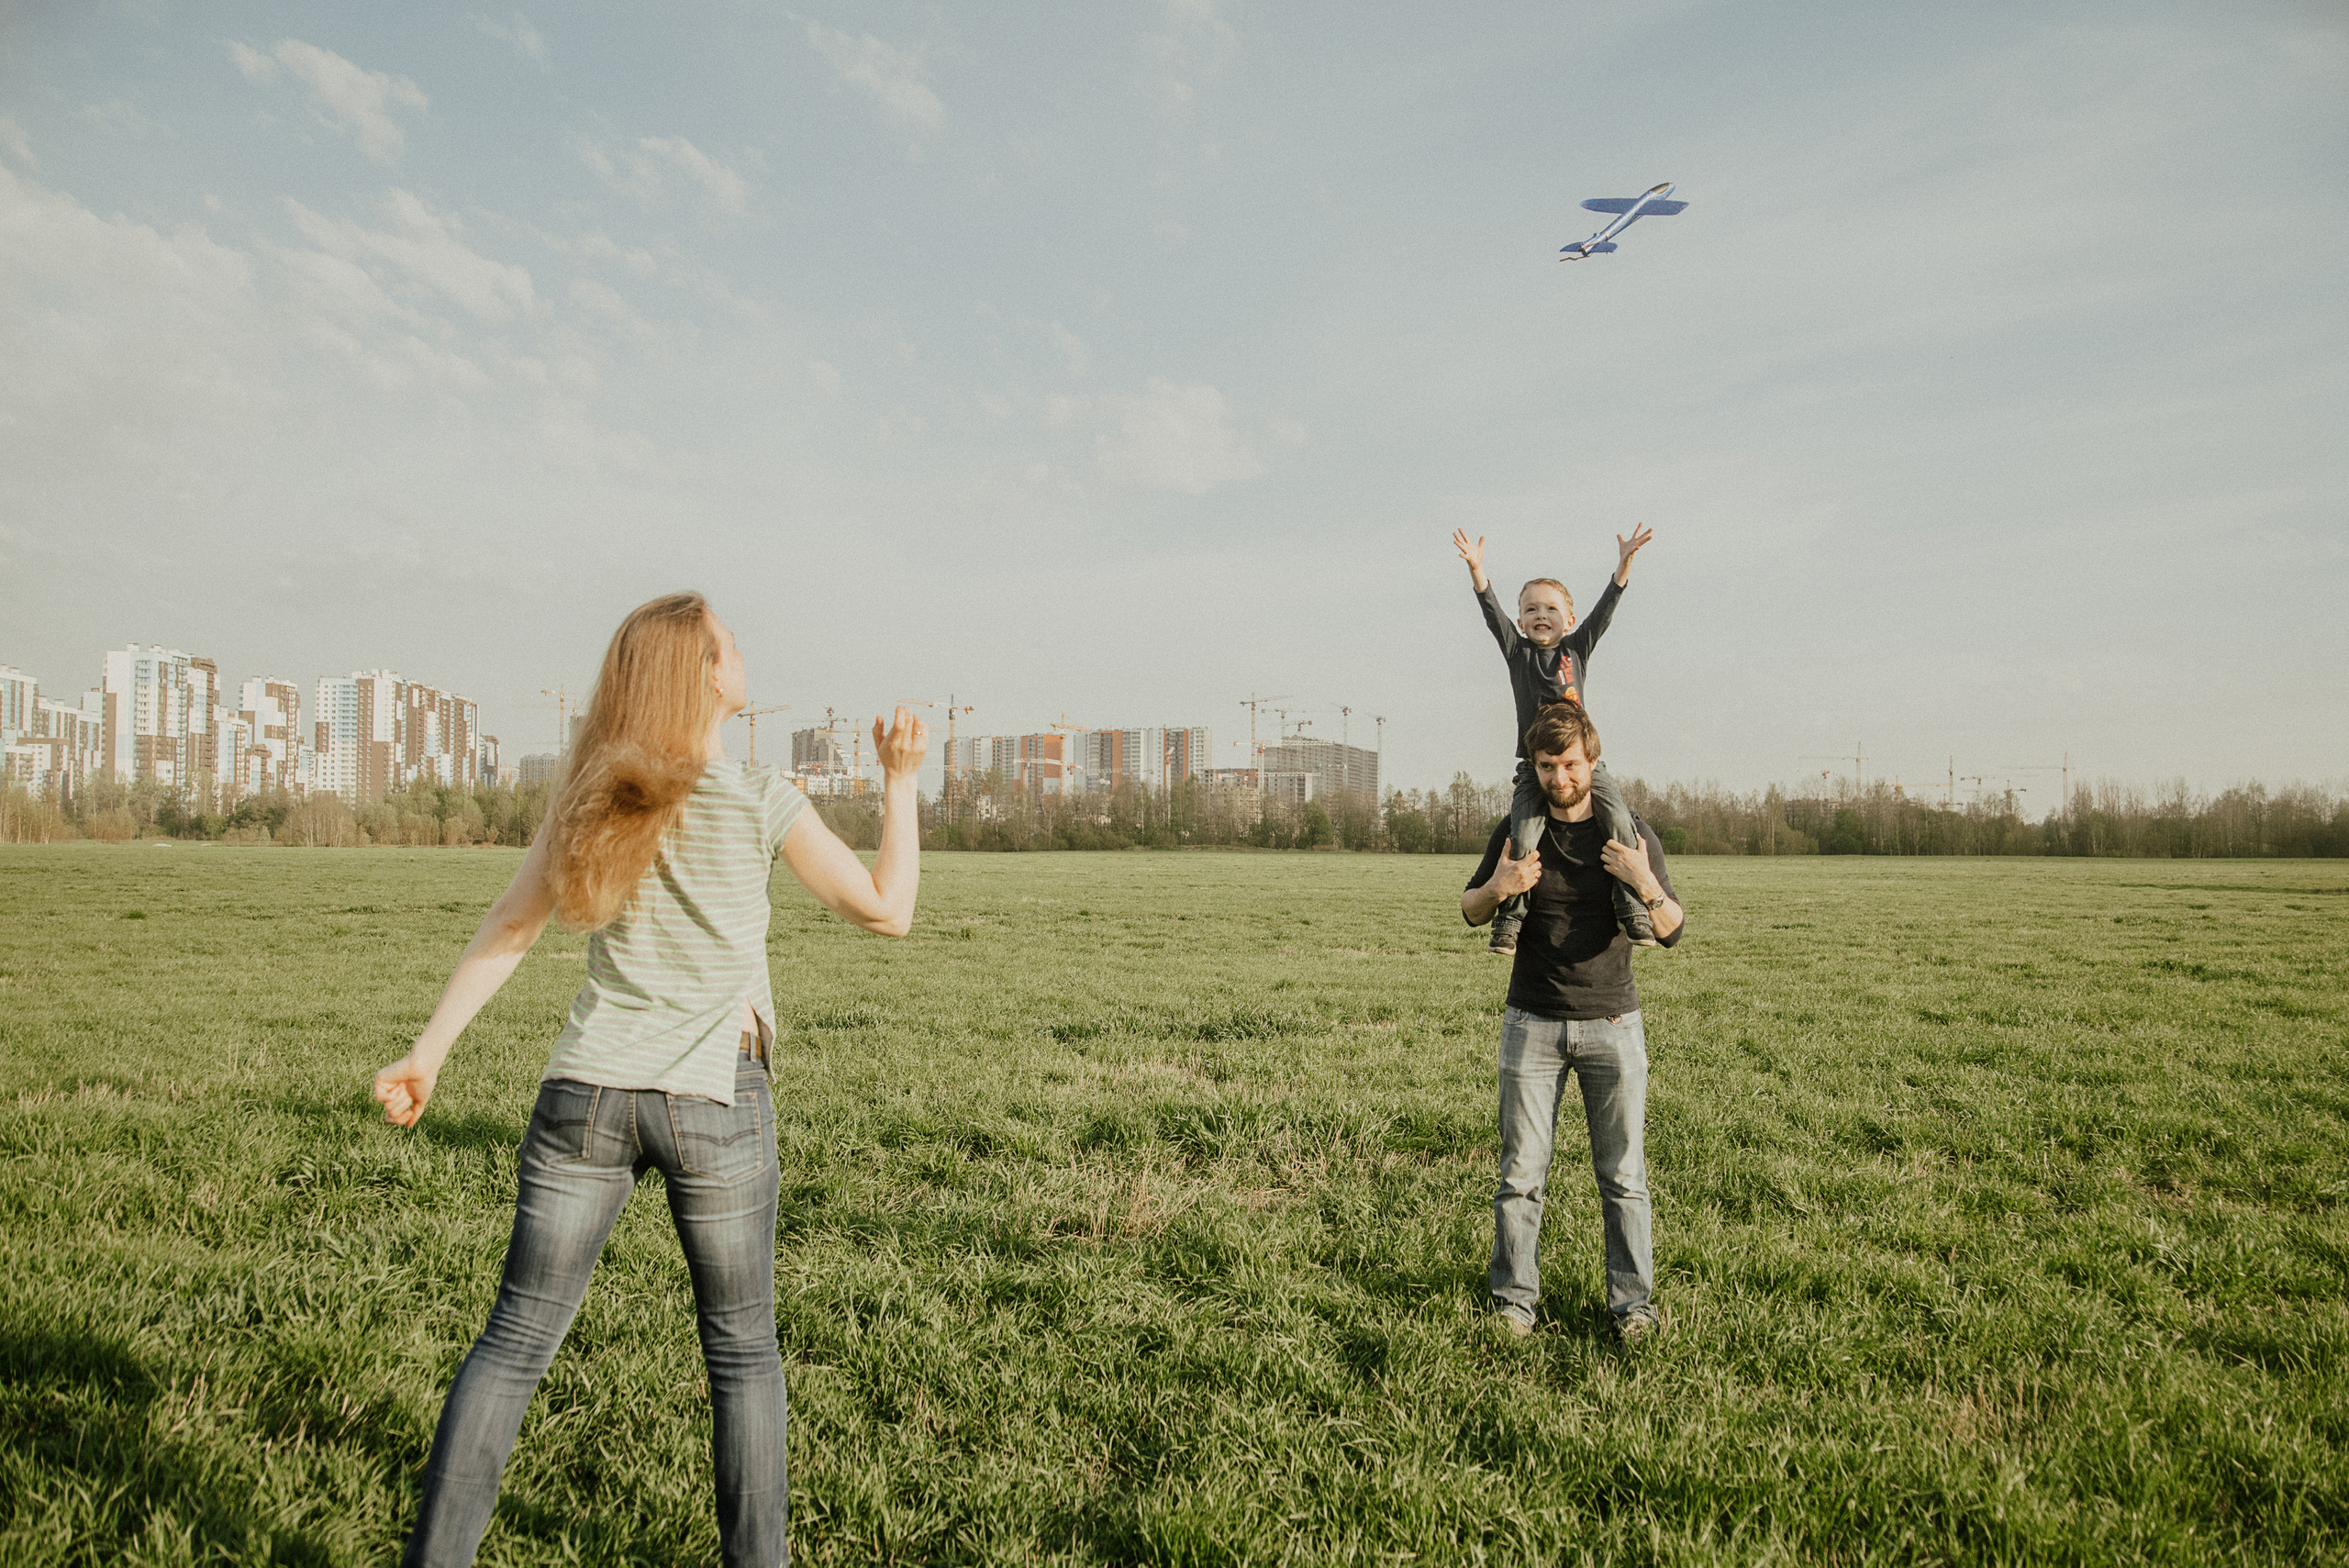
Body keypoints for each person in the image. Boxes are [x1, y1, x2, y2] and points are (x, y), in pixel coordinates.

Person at [372, 592, 929, 1568]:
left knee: (512, 1342)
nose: (741, 650)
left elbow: (512, 924)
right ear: (705, 675)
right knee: (742, 1354)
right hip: (717, 1099)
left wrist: (429, 1051)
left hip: (584, 1094)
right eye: (728, 642)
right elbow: (889, 909)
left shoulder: (591, 792)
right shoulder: (758, 795)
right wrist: (900, 781)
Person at [1460, 700, 1685, 1345]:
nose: (1559, 777)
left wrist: (1643, 879)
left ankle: (1633, 1308)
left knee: (1624, 1178)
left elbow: (1672, 930)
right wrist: (1500, 886)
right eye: (1547, 766)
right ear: (1533, 767)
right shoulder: (1516, 830)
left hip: (1613, 1024)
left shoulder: (1631, 833)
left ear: (1592, 762)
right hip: (1530, 1023)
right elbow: (1470, 910)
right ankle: (1514, 1305)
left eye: (1570, 764)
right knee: (1520, 1176)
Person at [1452, 523, 1655, 954]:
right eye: (1531, 609)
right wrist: (1477, 570)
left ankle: (1631, 906)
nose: (1540, 615)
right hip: (1535, 769)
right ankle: (1510, 919)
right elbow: (1491, 613)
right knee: (1523, 836)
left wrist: (1623, 566)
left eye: (1551, 608)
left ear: (1570, 620)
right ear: (1521, 621)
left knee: (1620, 821)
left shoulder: (1576, 650)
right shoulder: (1518, 653)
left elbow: (1605, 611)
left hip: (1585, 765)